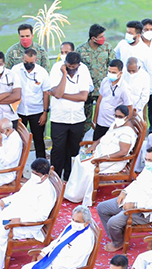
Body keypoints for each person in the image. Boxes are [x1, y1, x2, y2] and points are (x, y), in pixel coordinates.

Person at [0, 158, 56, 269]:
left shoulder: (47, 192)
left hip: (27, 222)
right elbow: (21, 194)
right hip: (16, 211)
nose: (33, 176)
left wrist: (20, 219)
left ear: (45, 176)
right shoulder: (34, 181)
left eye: (36, 174)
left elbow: (41, 217)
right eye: (32, 172)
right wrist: (5, 200)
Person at [97, 146, 152, 252]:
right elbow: (137, 182)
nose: (147, 162)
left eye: (150, 160)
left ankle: (118, 243)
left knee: (112, 223)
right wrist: (124, 192)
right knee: (102, 208)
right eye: (146, 159)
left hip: (143, 212)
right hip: (129, 200)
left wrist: (134, 205)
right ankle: (117, 236)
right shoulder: (149, 168)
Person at [64, 105, 138, 206]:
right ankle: (72, 191)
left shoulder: (127, 133)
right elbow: (105, 137)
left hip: (112, 160)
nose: (117, 118)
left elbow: (123, 152)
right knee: (78, 159)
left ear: (126, 117)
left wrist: (105, 158)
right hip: (100, 153)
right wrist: (94, 145)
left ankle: (77, 195)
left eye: (120, 116)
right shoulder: (116, 124)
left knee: (86, 166)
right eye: (116, 115)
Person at [48, 52, 91, 181]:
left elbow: (83, 96)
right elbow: (57, 92)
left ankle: (70, 177)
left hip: (77, 118)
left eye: (74, 67)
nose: (71, 69)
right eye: (69, 66)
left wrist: (61, 95)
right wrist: (64, 74)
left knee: (73, 150)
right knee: (58, 150)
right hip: (59, 118)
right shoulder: (57, 68)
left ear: (79, 65)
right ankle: (55, 178)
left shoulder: (83, 70)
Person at [12, 48, 50, 158]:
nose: (28, 65)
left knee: (39, 140)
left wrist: (45, 112)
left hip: (36, 111)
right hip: (19, 111)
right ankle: (18, 165)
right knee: (18, 141)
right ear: (22, 59)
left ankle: (41, 165)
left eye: (31, 63)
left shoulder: (42, 72)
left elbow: (46, 93)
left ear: (36, 60)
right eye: (26, 62)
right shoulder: (15, 70)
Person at [76, 25, 114, 132]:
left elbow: (113, 65)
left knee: (104, 117)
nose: (103, 38)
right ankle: (82, 139)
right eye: (101, 37)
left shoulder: (107, 48)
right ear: (93, 38)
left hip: (103, 89)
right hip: (86, 90)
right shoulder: (80, 50)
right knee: (84, 118)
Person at [92, 59, 133, 141]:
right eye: (109, 71)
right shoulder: (105, 81)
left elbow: (129, 107)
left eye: (113, 72)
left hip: (113, 124)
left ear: (120, 73)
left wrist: (123, 125)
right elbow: (99, 100)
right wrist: (95, 119)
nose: (110, 74)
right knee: (95, 144)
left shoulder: (125, 88)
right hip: (100, 122)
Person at [123, 57, 151, 122]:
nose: (131, 73)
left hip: (137, 109)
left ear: (139, 67)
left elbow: (145, 97)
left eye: (133, 71)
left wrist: (136, 109)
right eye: (129, 70)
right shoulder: (123, 73)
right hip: (123, 107)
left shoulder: (145, 76)